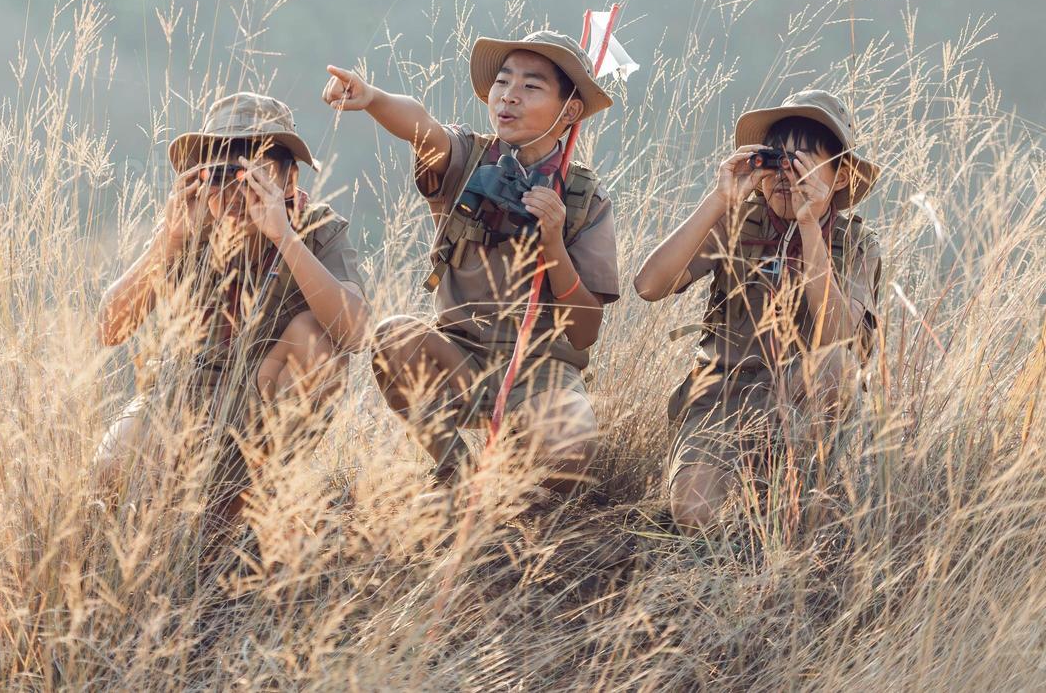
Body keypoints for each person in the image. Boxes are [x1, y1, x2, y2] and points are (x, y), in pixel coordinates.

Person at [322, 30, 620, 495]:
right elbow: (421, 126)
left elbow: (584, 332)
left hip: (542, 371)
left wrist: (554, 246)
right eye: (503, 82)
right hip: (460, 355)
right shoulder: (467, 158)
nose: (509, 96)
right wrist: (373, 98)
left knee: (569, 452)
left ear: (571, 111)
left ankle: (519, 484)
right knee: (394, 336)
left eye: (531, 86)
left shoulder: (585, 199)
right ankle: (457, 473)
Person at [95, 92, 369, 518]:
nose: (235, 192)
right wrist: (167, 244)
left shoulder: (314, 229)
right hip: (185, 391)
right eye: (220, 175)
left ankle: (250, 504)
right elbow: (109, 329)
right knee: (107, 472)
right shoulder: (189, 226)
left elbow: (354, 332)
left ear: (289, 180)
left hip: (263, 395)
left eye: (253, 176)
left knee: (312, 339)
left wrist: (285, 237)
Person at [633, 90, 883, 532]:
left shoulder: (854, 242)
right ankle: (750, 495)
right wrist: (719, 200)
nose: (786, 175)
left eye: (803, 162)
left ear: (841, 176)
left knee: (835, 367)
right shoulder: (737, 222)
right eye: (776, 161)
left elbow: (840, 341)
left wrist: (808, 226)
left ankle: (796, 498)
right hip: (720, 395)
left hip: (797, 396)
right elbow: (650, 285)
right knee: (694, 516)